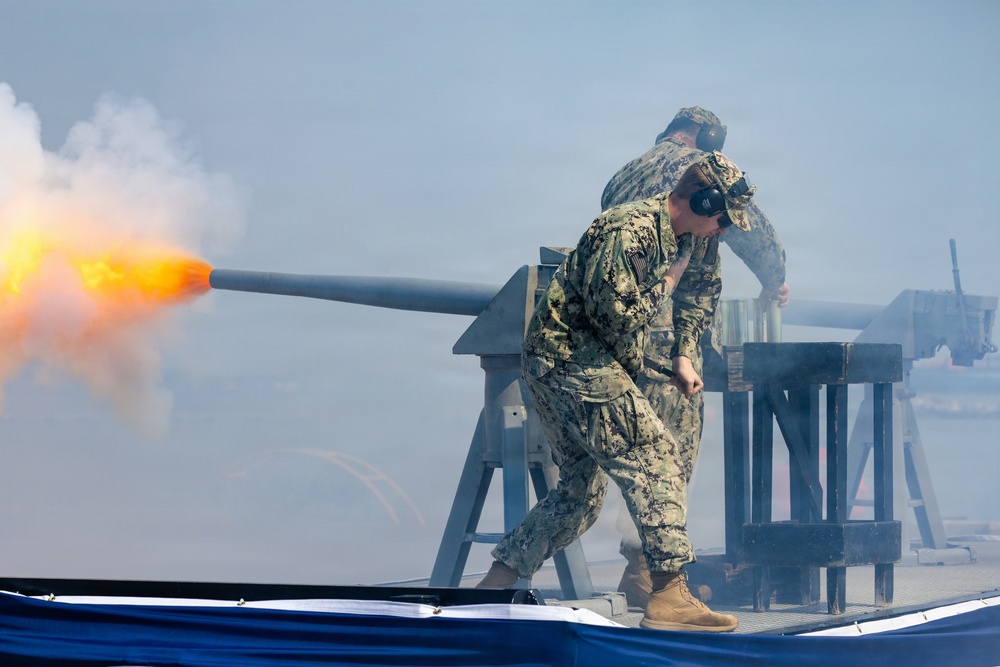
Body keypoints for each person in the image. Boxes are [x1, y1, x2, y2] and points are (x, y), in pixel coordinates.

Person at [477, 152, 755, 633]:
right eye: (723, 218)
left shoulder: (696, 238)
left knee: (579, 496)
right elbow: (618, 317)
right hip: (568, 358)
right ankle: (669, 595)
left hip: (595, 360)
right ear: (703, 200)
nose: (725, 231)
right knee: (655, 454)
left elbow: (702, 295)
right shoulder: (628, 231)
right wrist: (667, 280)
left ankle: (495, 584)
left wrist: (683, 356)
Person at [602, 107, 790, 606]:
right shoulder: (699, 170)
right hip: (665, 338)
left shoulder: (625, 172)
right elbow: (753, 230)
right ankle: (651, 573)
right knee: (671, 451)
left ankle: (641, 564)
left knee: (631, 448)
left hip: (616, 331)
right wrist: (775, 279)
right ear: (705, 140)